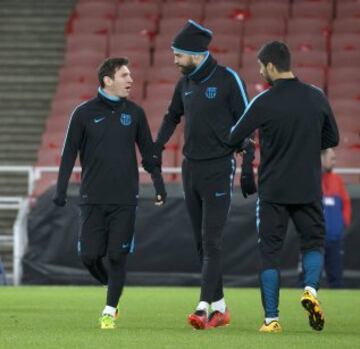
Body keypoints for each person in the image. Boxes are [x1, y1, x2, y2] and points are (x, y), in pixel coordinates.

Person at [145, 20, 256, 330]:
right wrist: (157, 147)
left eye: (178, 55)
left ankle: (203, 307)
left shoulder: (228, 79)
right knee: (200, 243)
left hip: (219, 168)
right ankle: (221, 306)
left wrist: (246, 157)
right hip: (190, 167)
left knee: (212, 242)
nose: (175, 60)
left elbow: (248, 121)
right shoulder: (186, 83)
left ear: (194, 54)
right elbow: (171, 116)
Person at [229, 41, 339, 333]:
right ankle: (310, 291)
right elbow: (333, 137)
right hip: (307, 187)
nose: (260, 71)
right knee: (313, 243)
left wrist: (253, 143)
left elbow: (234, 135)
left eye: (260, 66)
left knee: (269, 253)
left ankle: (271, 319)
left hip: (273, 191)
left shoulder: (263, 101)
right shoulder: (316, 97)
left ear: (271, 66)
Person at [53, 57, 166, 329]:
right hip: (91, 198)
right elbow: (69, 153)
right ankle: (113, 283)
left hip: (125, 199)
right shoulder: (83, 113)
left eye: (130, 75)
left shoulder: (136, 113)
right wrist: (61, 189)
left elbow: (148, 153)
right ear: (107, 80)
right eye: (124, 75)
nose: (130, 80)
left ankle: (109, 309)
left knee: (117, 256)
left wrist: (159, 183)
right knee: (89, 256)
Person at [321, 148, 352, 288]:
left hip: (334, 239)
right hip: (316, 240)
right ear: (321, 159)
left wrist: (342, 224)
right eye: (331, 158)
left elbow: (346, 204)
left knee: (336, 279)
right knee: (308, 279)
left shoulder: (337, 181)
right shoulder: (312, 180)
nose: (334, 162)